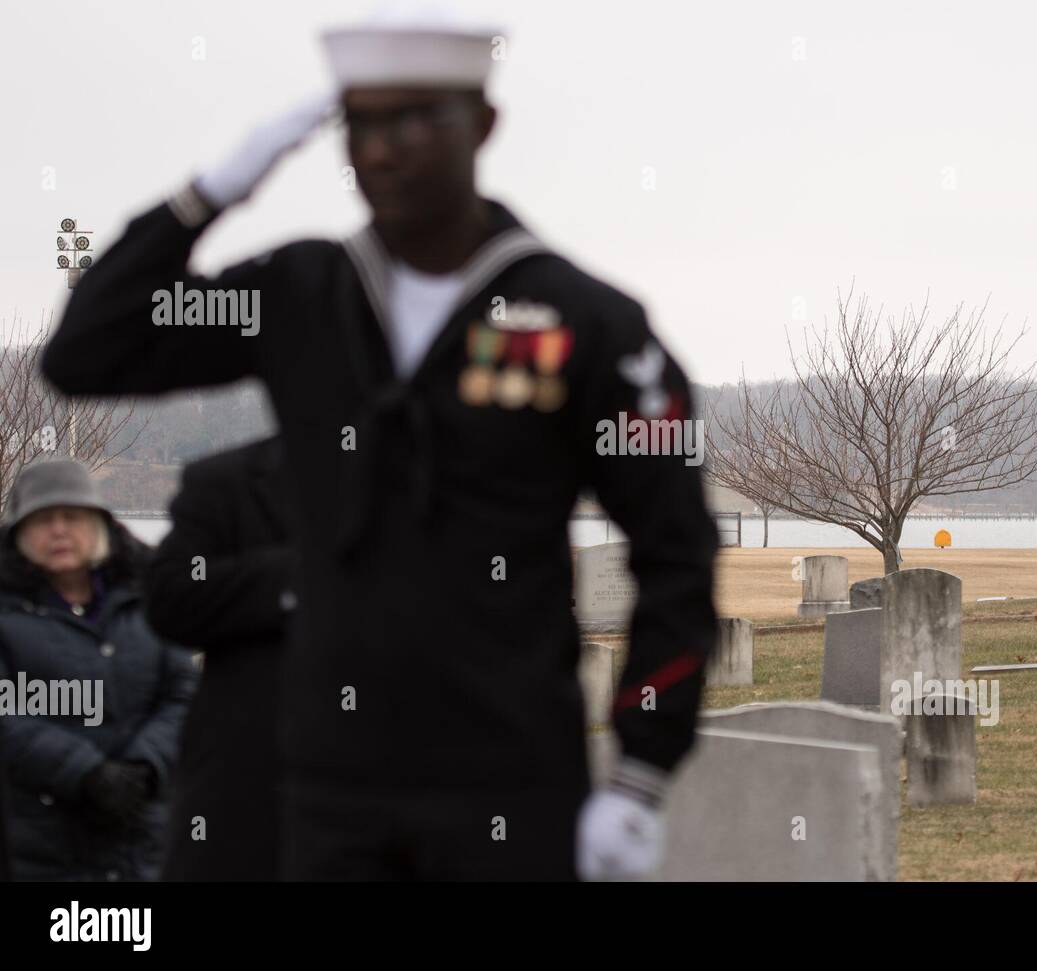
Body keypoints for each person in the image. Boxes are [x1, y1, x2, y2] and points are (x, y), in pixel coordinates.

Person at [43, 3, 717, 881]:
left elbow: (676, 554)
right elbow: (87, 352)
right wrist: (205, 195)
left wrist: (641, 769)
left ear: (482, 125)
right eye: (360, 125)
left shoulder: (585, 320)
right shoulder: (302, 293)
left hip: (506, 780)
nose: (383, 149)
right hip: (332, 787)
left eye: (412, 119)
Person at [0, 458, 197, 881]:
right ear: (19, 534)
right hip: (40, 837)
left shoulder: (148, 598)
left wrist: (146, 766)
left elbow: (184, 690)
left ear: (99, 526)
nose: (58, 530)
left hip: (144, 832)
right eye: (43, 519)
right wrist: (84, 772)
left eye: (72, 516)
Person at [145, 437, 297, 881]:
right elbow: (170, 596)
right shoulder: (224, 484)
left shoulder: (443, 478)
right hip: (246, 800)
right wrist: (303, 577)